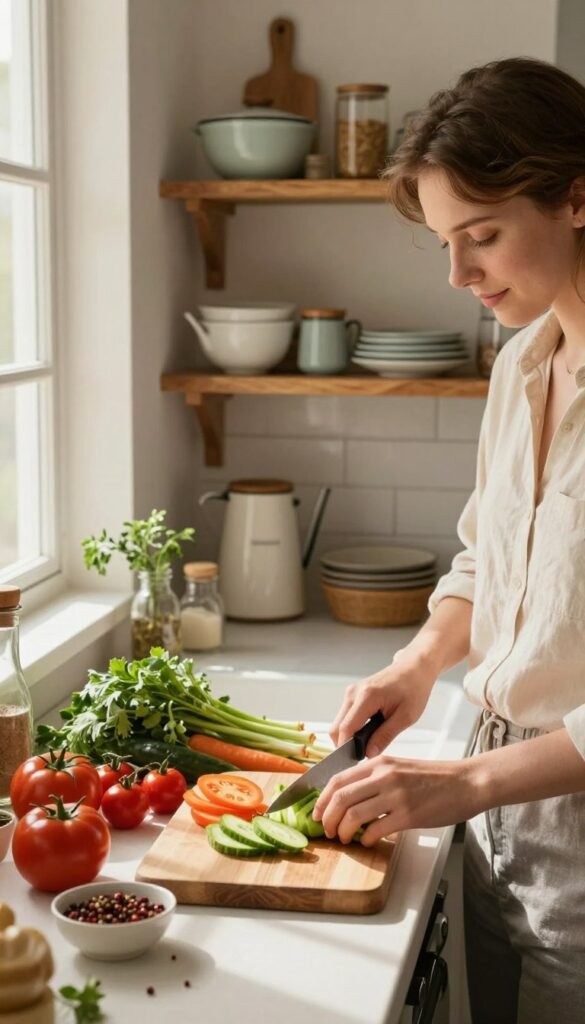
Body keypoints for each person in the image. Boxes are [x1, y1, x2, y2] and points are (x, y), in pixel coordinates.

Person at [311, 57, 585, 1024]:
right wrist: (420, 663)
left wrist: (466, 780)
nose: (459, 275)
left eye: (482, 237)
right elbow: (489, 556)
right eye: (443, 243)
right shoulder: (519, 367)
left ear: (576, 198)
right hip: (491, 793)